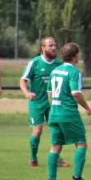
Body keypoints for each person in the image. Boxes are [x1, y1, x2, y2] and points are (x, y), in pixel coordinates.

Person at [19, 37, 70, 168]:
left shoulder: (58, 64)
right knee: (37, 131)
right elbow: (23, 80)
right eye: (50, 45)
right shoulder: (35, 63)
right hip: (36, 102)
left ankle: (56, 158)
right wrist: (27, 93)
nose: (53, 48)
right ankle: (33, 158)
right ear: (42, 48)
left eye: (54, 45)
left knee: (57, 130)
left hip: (53, 104)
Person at [46, 43, 91, 180]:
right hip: (69, 113)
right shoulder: (74, 73)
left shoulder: (54, 71)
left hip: (54, 113)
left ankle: (51, 179)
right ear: (74, 56)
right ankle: (76, 177)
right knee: (81, 144)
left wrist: (54, 106)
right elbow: (76, 93)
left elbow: (49, 93)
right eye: (78, 54)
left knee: (55, 146)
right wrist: (87, 107)